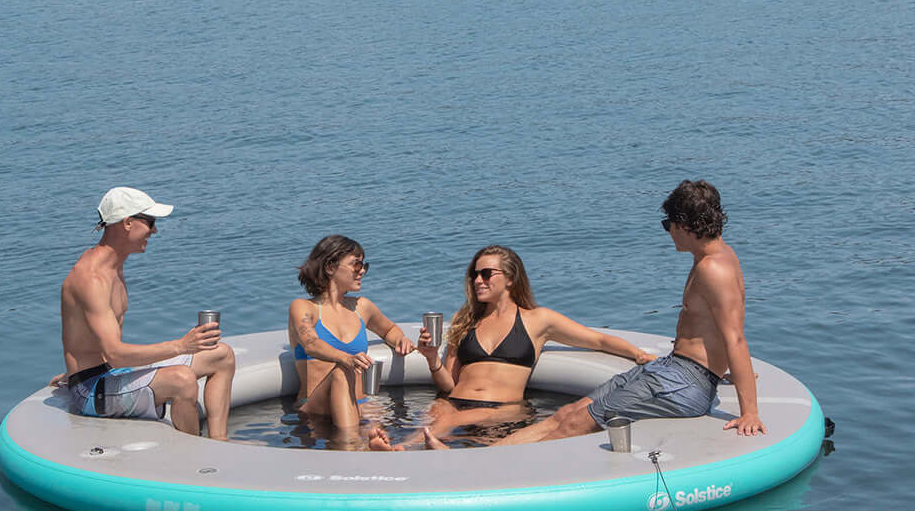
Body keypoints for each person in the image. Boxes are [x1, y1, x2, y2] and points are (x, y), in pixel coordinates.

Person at [483, 180, 766, 449]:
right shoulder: (709, 258)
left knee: (576, 424)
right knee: (568, 413)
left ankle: (507, 477)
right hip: (671, 370)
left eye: (668, 224)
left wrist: (749, 412)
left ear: (685, 226)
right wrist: (724, 368)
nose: (667, 231)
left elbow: (735, 338)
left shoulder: (714, 269)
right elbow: (715, 330)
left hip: (682, 383)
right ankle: (482, 459)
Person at [370, 244, 654, 450]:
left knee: (439, 428)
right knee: (436, 418)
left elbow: (597, 339)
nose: (477, 280)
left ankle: (401, 452)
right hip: (453, 401)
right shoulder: (465, 320)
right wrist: (432, 358)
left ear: (509, 278)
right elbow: (448, 383)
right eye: (474, 275)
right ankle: (407, 449)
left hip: (501, 409)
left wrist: (638, 354)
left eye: (486, 273)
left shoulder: (537, 320)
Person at [49, 187, 235, 440]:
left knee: (221, 355)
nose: (155, 230)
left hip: (107, 372)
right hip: (90, 390)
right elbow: (115, 352)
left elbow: (94, 342)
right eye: (150, 222)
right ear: (127, 223)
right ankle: (196, 458)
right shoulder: (92, 279)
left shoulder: (112, 266)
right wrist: (181, 346)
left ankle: (220, 442)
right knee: (181, 379)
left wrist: (78, 362)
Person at [288, 235, 414, 445]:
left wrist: (400, 340)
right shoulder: (303, 307)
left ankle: (372, 446)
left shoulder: (361, 307)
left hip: (360, 405)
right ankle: (351, 447)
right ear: (330, 267)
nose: (362, 270)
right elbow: (311, 343)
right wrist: (345, 358)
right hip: (315, 406)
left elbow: (389, 329)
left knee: (388, 435)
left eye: (364, 265)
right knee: (341, 371)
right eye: (356, 264)